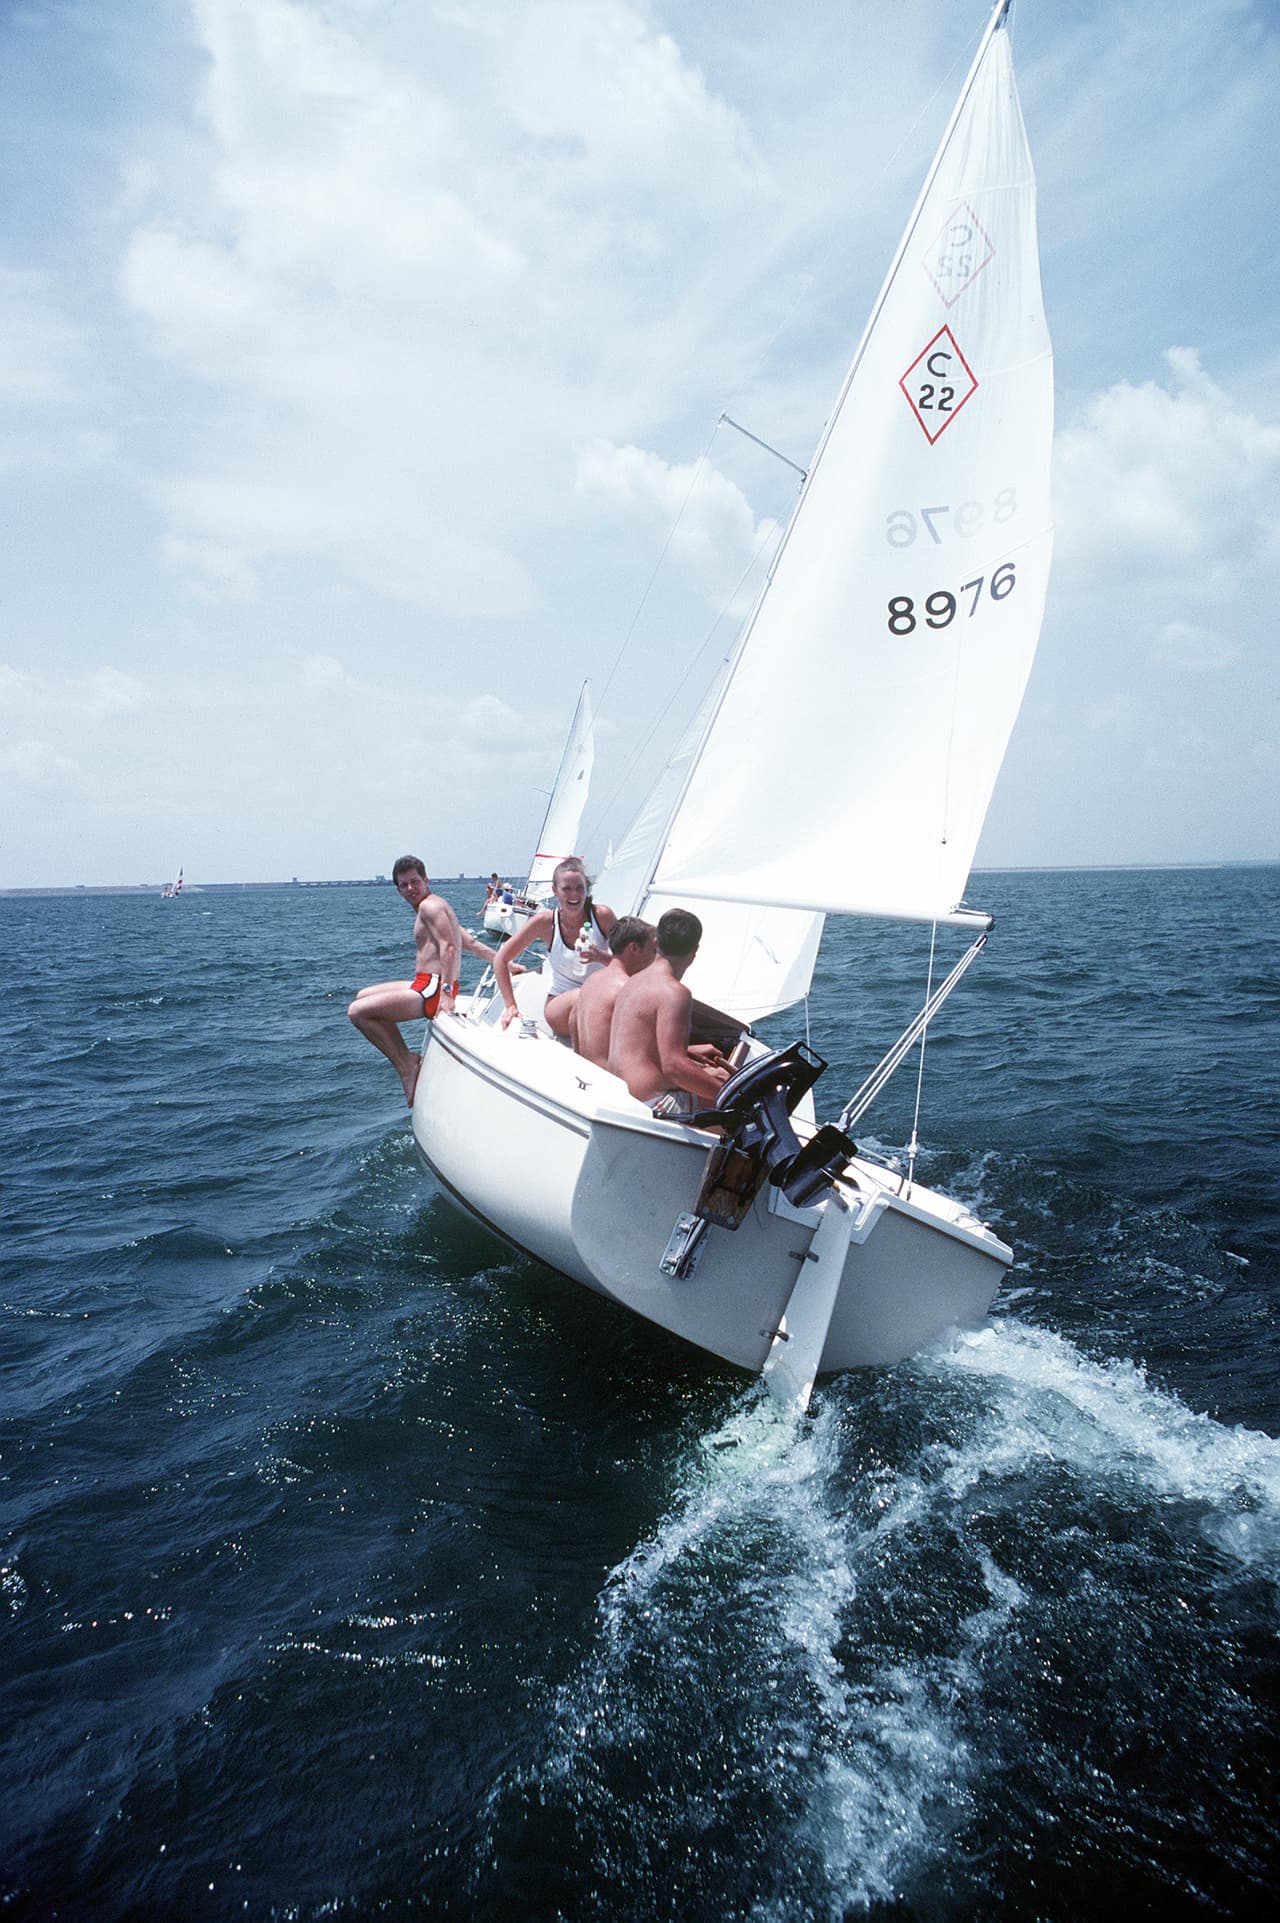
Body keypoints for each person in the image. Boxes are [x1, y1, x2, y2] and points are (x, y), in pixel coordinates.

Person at [348, 856, 498, 1106]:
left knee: (357, 1012)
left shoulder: (430, 908)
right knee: (363, 996)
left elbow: (449, 947)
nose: (410, 888)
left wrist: (447, 995)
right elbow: (469, 943)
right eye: (404, 885)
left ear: (426, 880)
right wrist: (504, 963)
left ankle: (406, 1065)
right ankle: (405, 1060)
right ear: (398, 889)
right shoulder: (433, 906)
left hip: (434, 990)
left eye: (415, 882)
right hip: (426, 983)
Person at [607, 907, 732, 1115]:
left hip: (622, 1096)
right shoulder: (675, 992)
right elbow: (674, 1067)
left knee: (713, 1075)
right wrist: (730, 1093)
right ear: (695, 951)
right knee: (740, 1115)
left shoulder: (633, 981)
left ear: (656, 942)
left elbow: (644, 1049)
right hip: (651, 1103)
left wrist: (698, 1062)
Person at [493, 856, 616, 1038]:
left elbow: (628, 961)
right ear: (555, 891)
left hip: (601, 1000)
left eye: (579, 888)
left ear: (587, 889)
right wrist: (511, 1006)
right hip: (560, 1004)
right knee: (584, 997)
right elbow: (501, 959)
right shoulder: (545, 922)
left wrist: (600, 956)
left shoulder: (602, 916)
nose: (574, 895)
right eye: (566, 889)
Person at [570, 916, 656, 1067]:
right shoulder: (629, 989)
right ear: (634, 948)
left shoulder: (592, 980)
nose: (655, 958)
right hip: (609, 1077)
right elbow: (645, 1053)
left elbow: (573, 1019)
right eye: (653, 950)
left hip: (584, 1069)